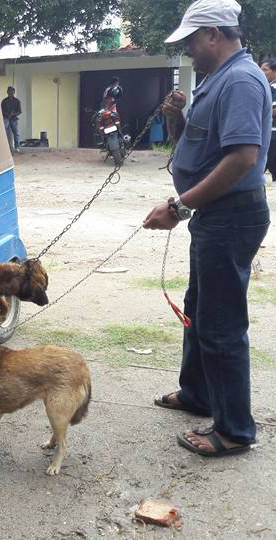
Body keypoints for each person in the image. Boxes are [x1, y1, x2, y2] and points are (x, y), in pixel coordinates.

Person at [144, 0, 270, 457]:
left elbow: (242, 159)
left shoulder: (239, 80)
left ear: (214, 35)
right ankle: (196, 392)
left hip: (232, 215)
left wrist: (178, 207)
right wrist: (176, 118)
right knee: (200, 307)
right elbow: (201, 152)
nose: (189, 52)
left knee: (220, 323)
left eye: (192, 42)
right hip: (217, 215)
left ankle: (235, 430)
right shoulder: (217, 79)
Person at [260, 58, 276, 181]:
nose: (261, 72)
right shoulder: (268, 86)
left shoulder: (273, 88)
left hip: (272, 135)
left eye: (265, 69)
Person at [1, 86, 22, 153]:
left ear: (14, 92)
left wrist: (13, 114)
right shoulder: (4, 101)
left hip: (14, 119)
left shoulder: (17, 101)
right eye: (9, 91)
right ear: (7, 92)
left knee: (16, 133)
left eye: (12, 91)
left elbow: (19, 111)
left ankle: (17, 147)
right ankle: (5, 147)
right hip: (6, 118)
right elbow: (1, 111)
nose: (10, 93)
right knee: (4, 132)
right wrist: (7, 115)